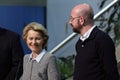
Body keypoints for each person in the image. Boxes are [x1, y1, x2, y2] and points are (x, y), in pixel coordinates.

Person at [69, 3, 119, 80]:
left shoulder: (102, 39)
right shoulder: (79, 43)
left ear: (81, 20)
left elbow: (111, 73)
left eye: (72, 19)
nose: (70, 22)